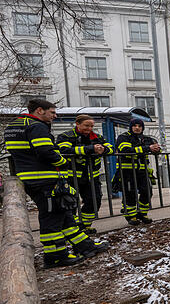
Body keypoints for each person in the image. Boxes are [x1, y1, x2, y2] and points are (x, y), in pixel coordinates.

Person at [3, 99, 109, 268]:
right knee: (51, 218)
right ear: (39, 110)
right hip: (45, 179)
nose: (55, 116)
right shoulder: (37, 126)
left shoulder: (13, 126)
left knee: (64, 214)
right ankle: (56, 256)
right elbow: (46, 152)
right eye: (52, 112)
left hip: (32, 177)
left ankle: (84, 246)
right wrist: (63, 163)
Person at [56, 115, 114, 235]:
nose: (89, 128)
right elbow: (63, 150)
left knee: (95, 200)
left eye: (92, 126)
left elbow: (112, 149)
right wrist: (90, 149)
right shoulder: (66, 136)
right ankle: (72, 229)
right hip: (71, 177)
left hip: (92, 177)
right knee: (71, 203)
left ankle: (84, 225)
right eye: (86, 125)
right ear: (77, 124)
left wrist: (103, 149)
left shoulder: (97, 137)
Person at [116, 118, 160, 225]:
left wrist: (156, 149)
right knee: (130, 194)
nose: (137, 128)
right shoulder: (123, 137)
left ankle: (142, 213)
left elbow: (156, 149)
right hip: (127, 171)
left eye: (139, 126)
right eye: (134, 126)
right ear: (131, 127)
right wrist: (147, 148)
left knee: (147, 192)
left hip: (142, 171)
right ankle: (131, 216)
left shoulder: (146, 138)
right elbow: (126, 150)